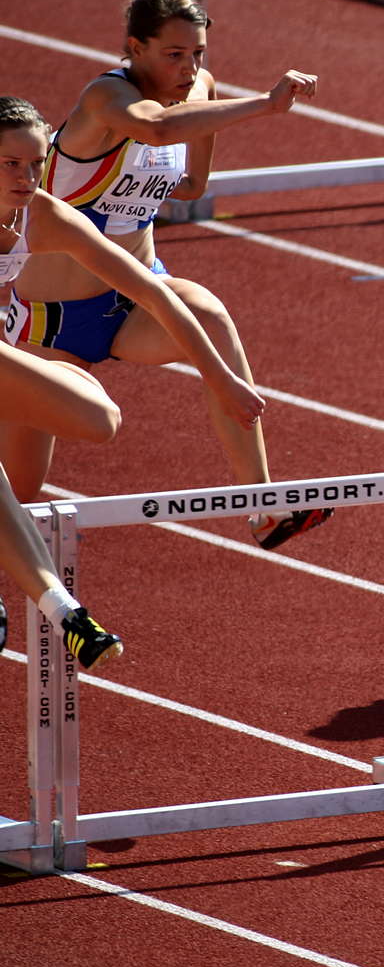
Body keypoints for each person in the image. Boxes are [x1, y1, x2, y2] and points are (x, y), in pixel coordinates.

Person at [4, 0, 327, 550]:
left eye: (197, 52)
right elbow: (154, 129)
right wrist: (267, 105)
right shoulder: (106, 98)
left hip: (133, 296)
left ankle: (263, 506)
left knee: (211, 316)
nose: (189, 67)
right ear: (136, 48)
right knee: (21, 498)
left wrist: (140, 188)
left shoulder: (201, 89)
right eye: (173, 54)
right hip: (49, 321)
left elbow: (193, 184)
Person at [0, 97, 269, 665]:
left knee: (93, 425)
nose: (26, 177)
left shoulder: (43, 216)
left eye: (36, 163)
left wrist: (219, 376)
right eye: (10, 165)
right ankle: (64, 612)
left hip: (16, 351)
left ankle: (60, 610)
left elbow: (151, 291)